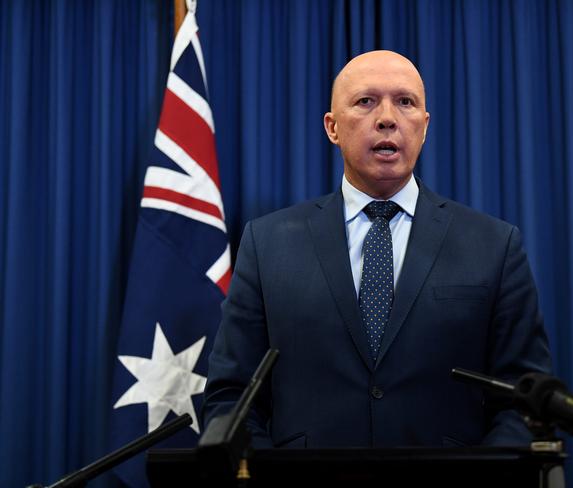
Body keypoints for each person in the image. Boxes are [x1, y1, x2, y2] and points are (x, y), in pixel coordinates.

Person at [202, 50, 552, 449]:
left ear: (424, 126)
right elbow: (232, 397)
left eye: (406, 102)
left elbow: (525, 402)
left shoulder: (494, 245)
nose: (387, 118)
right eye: (366, 102)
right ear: (332, 128)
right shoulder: (268, 244)